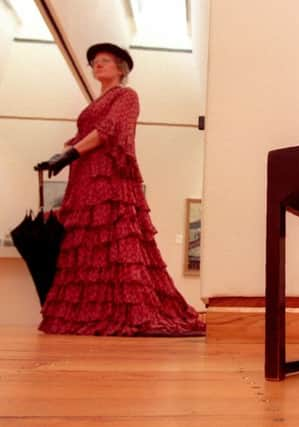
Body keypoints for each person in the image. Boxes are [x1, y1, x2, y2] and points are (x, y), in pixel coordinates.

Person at [34, 43, 206, 336]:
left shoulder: (127, 96)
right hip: (87, 178)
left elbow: (111, 129)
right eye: (94, 62)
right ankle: (86, 316)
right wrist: (61, 155)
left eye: (104, 61)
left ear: (120, 69)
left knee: (116, 241)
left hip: (110, 177)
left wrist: (70, 154)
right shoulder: (91, 105)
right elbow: (83, 135)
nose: (96, 65)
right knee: (88, 243)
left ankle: (133, 312)